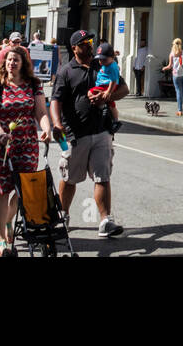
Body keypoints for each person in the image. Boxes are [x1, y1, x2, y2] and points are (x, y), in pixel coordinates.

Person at [0, 45, 53, 256]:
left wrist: (46, 129)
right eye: (8, 60)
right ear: (3, 63)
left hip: (26, 143)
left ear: (23, 63)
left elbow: (41, 112)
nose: (11, 63)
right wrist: (1, 135)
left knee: (22, 190)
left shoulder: (34, 85)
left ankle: (8, 221)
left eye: (16, 60)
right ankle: (0, 239)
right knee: (1, 191)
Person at [49, 29, 127, 238]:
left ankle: (105, 221)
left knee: (103, 176)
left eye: (90, 42)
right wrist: (57, 124)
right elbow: (55, 100)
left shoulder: (102, 64)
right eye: (83, 43)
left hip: (101, 131)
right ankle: (63, 215)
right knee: (70, 177)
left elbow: (124, 89)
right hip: (74, 134)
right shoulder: (66, 71)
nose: (88, 45)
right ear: (74, 48)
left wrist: (107, 95)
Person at [93, 42, 123, 132]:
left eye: (104, 59)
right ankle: (114, 120)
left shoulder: (112, 67)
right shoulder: (107, 64)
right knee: (111, 104)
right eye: (100, 59)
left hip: (107, 85)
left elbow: (113, 81)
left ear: (112, 57)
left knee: (91, 92)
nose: (101, 62)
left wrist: (108, 92)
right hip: (103, 84)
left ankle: (112, 118)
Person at [165, 38, 183, 116]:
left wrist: (164, 68)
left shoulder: (172, 54)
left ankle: (180, 109)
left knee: (178, 91)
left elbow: (169, 66)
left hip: (176, 75)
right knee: (182, 90)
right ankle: (180, 107)